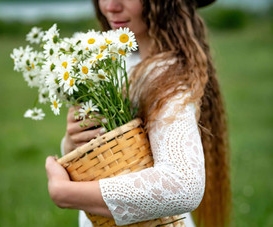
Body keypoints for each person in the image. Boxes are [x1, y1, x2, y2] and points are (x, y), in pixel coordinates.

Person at [45, 0, 231, 226]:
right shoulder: (116, 62)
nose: (110, 6)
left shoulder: (167, 76)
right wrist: (73, 142)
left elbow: (184, 184)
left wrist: (65, 192)